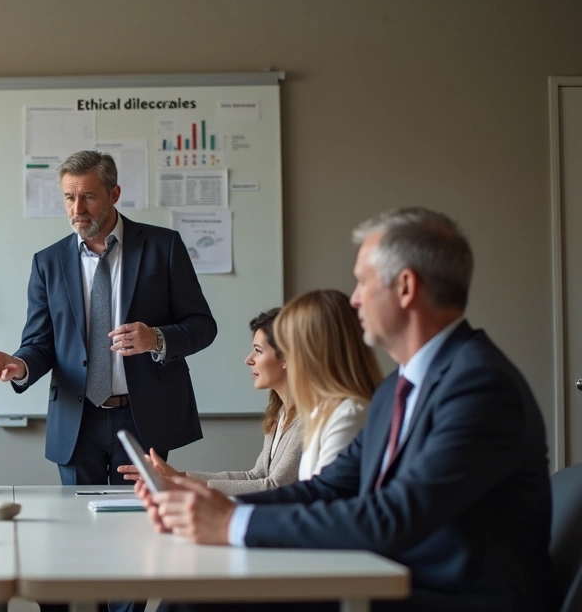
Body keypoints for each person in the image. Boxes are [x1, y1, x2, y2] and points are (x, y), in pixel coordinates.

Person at [139, 208, 552, 611]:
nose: (353, 300)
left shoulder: (480, 387)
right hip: (391, 579)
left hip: (445, 596)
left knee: (198, 599)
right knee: (194, 594)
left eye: (362, 283)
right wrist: (213, 504)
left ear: (406, 288)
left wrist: (231, 524)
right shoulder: (397, 388)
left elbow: (394, 515)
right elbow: (326, 487)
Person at [0, 150, 217, 485]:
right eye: (69, 198)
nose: (77, 210)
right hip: (77, 420)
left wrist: (157, 339)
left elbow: (203, 326)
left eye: (88, 197)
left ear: (114, 194)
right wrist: (21, 365)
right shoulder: (48, 262)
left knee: (139, 525)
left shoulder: (163, 247)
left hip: (143, 415)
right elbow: (40, 342)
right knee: (76, 528)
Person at [120, 308, 304, 496]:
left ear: (287, 358)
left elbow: (276, 486)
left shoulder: (306, 419)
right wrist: (179, 477)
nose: (249, 360)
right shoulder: (280, 413)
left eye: (258, 351)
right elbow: (256, 476)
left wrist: (182, 484)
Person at [273, 289, 380, 480]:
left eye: (289, 351)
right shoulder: (321, 412)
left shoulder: (350, 415)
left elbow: (324, 500)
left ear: (312, 354)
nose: (287, 363)